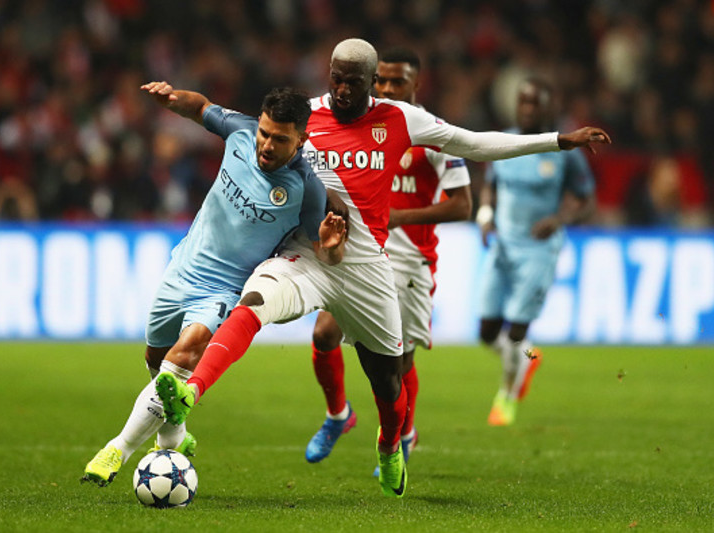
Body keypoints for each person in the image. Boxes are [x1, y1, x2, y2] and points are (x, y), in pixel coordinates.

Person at [152, 38, 610, 498]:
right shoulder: (307, 116)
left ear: (372, 83)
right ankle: (192, 390)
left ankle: (391, 446)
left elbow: (474, 143)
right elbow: (246, 132)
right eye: (336, 78)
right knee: (251, 304)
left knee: (387, 377)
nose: (342, 89)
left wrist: (558, 141)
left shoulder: (400, 118)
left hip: (366, 265)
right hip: (309, 253)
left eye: (353, 81)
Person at [80, 84, 347, 486]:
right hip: (183, 268)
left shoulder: (306, 189)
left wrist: (330, 248)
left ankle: (116, 449)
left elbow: (320, 257)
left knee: (184, 357)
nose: (267, 145)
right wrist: (172, 98)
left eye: (280, 138)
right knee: (158, 362)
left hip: (224, 291)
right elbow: (200, 107)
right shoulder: (239, 131)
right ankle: (175, 437)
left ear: (301, 139)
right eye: (265, 133)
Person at [303, 47, 473, 475]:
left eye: (399, 82)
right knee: (324, 334)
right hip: (360, 252)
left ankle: (402, 436)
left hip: (411, 257)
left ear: (417, 85)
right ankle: (339, 414)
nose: (389, 89)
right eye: (383, 82)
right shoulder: (365, 122)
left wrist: (400, 217)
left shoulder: (432, 134)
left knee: (400, 363)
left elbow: (462, 206)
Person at [476, 78, 597, 426]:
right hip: (502, 244)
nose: (527, 108)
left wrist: (559, 219)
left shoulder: (563, 150)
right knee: (486, 331)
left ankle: (507, 395)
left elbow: (588, 201)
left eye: (534, 103)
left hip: (538, 250)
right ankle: (528, 359)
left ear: (548, 108)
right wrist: (485, 215)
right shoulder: (505, 142)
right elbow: (491, 187)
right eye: (523, 101)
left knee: (516, 331)